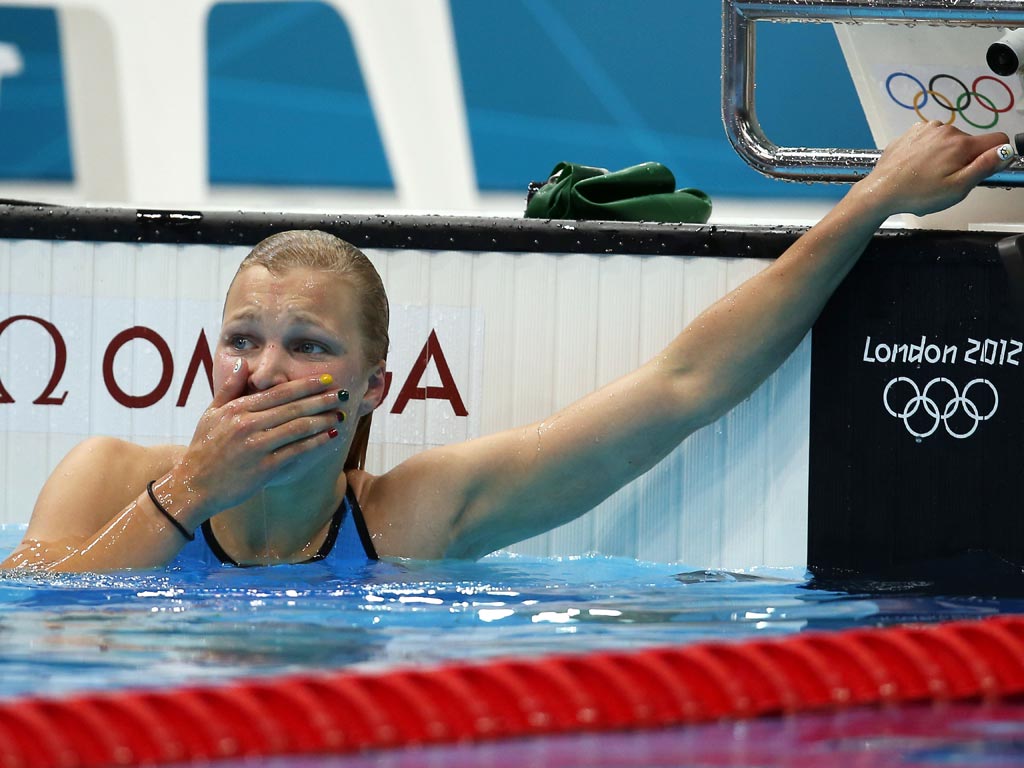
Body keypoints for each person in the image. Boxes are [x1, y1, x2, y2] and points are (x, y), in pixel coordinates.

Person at [1, 121, 1016, 572]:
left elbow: (681, 385)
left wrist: (875, 197)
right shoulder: (105, 478)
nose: (260, 370)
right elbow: (30, 629)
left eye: (304, 346)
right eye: (242, 339)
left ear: (367, 390)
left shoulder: (412, 522)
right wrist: (187, 496)